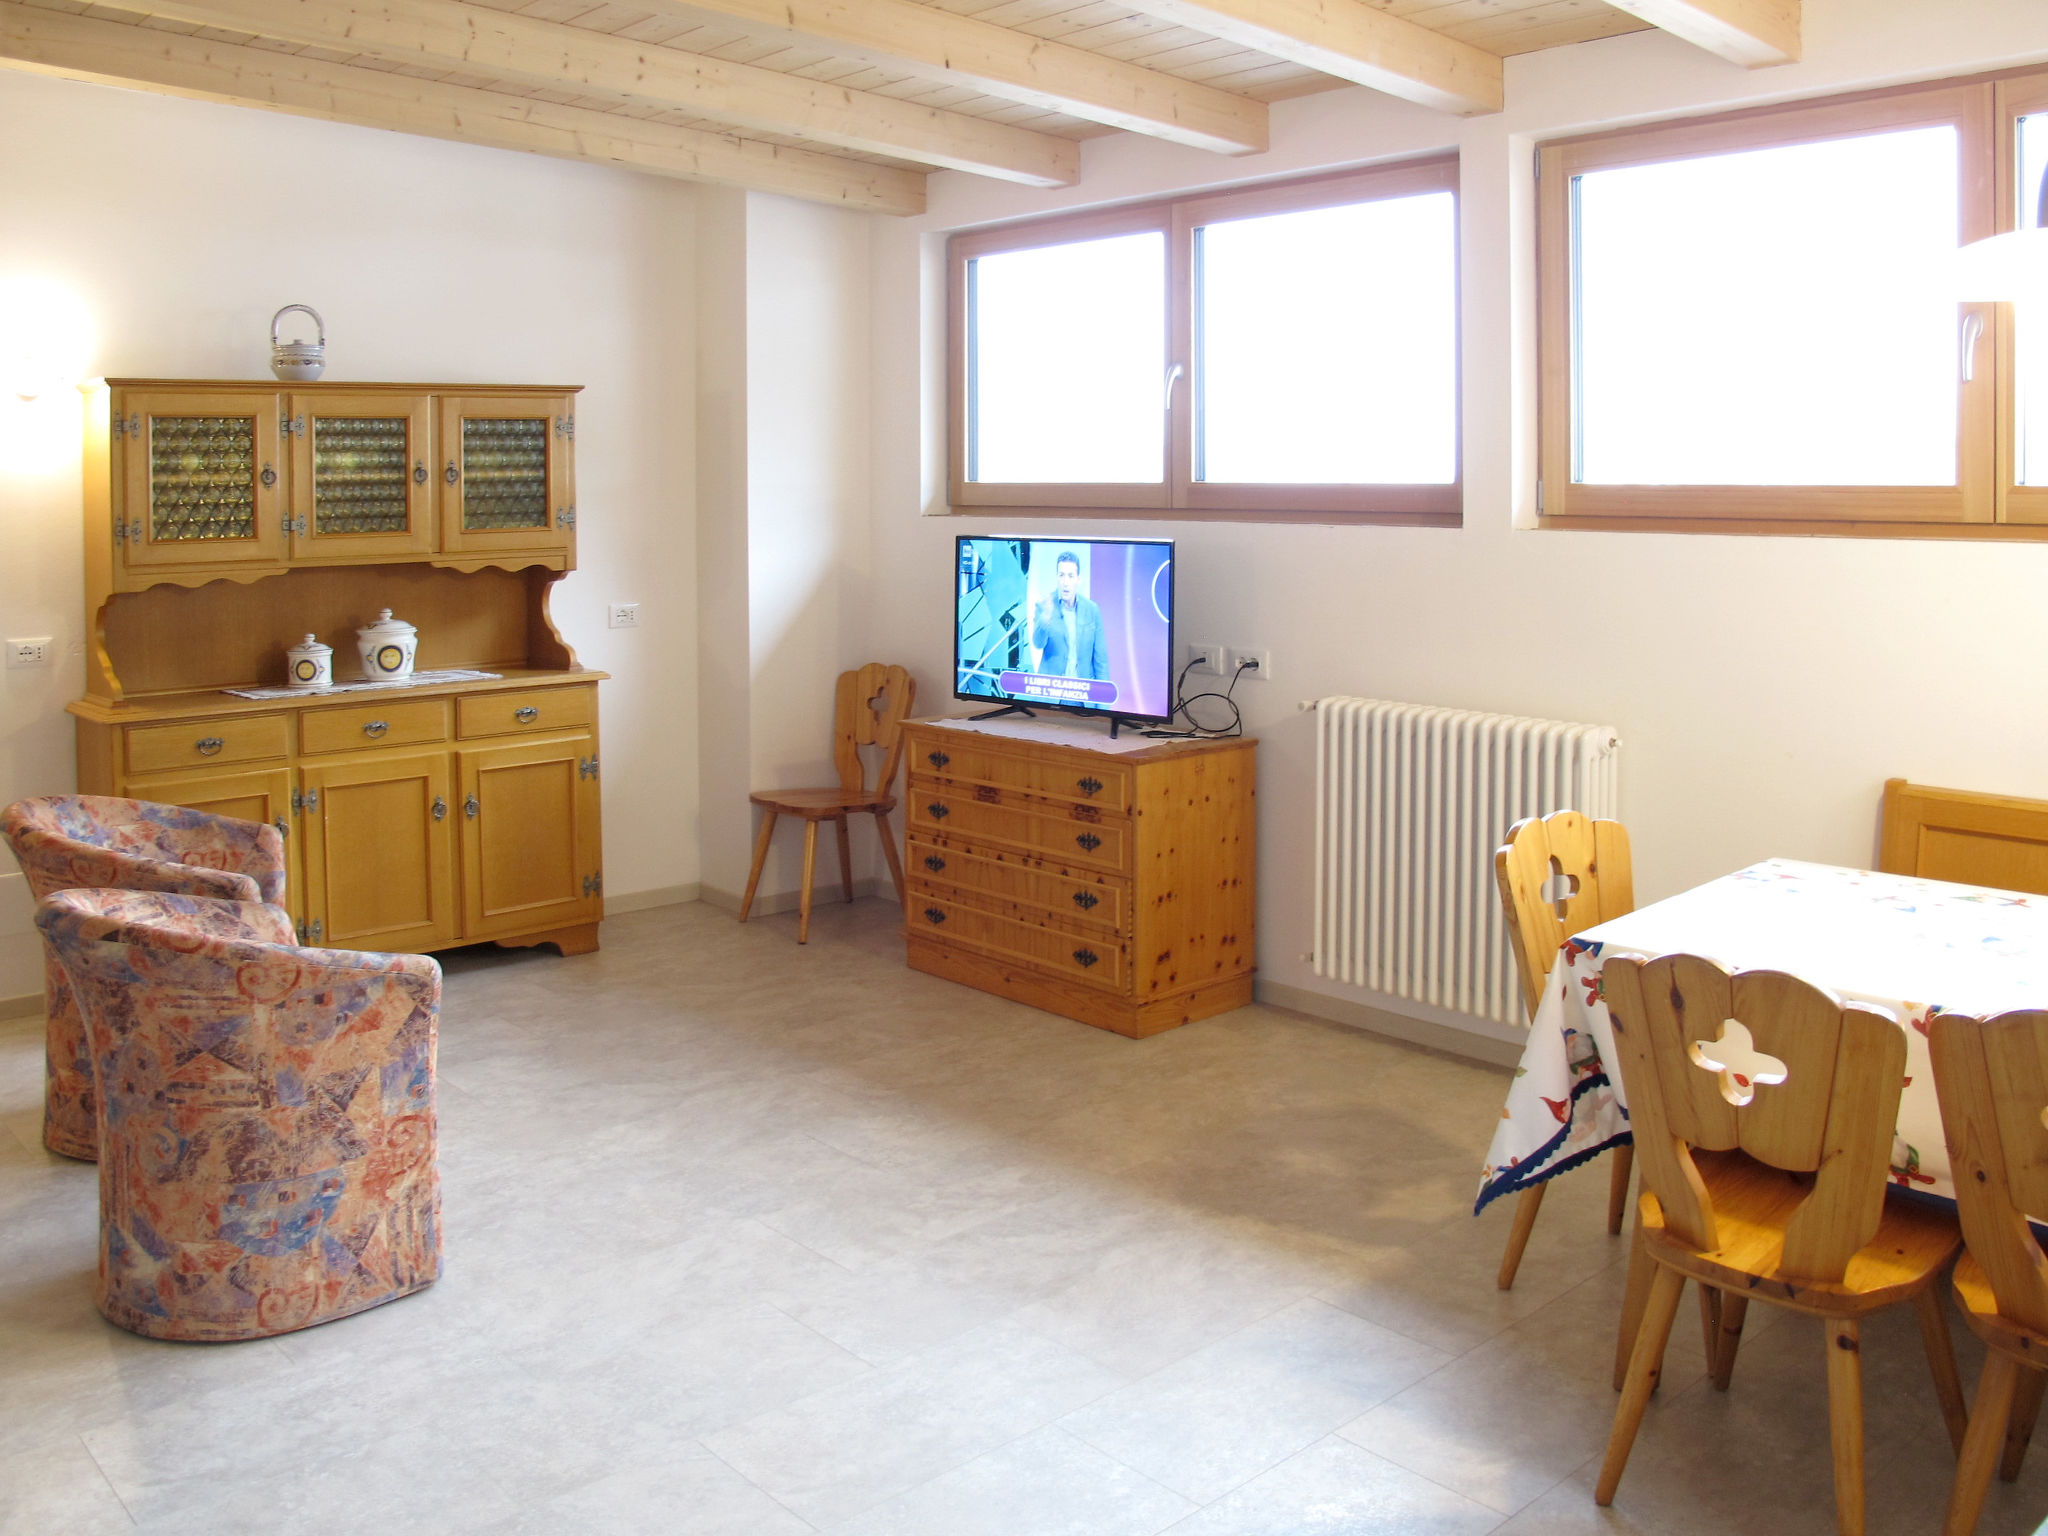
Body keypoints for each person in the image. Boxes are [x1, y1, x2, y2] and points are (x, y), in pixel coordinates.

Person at [1031, 551, 1108, 681]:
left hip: (1082, 690)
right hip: (1051, 689)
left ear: (1078, 579)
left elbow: (1101, 660)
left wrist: (1102, 692)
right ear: (1057, 577)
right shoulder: (1045, 606)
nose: (1065, 582)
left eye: (1070, 576)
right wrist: (1045, 619)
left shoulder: (1092, 610)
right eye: (1061, 575)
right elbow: (1038, 643)